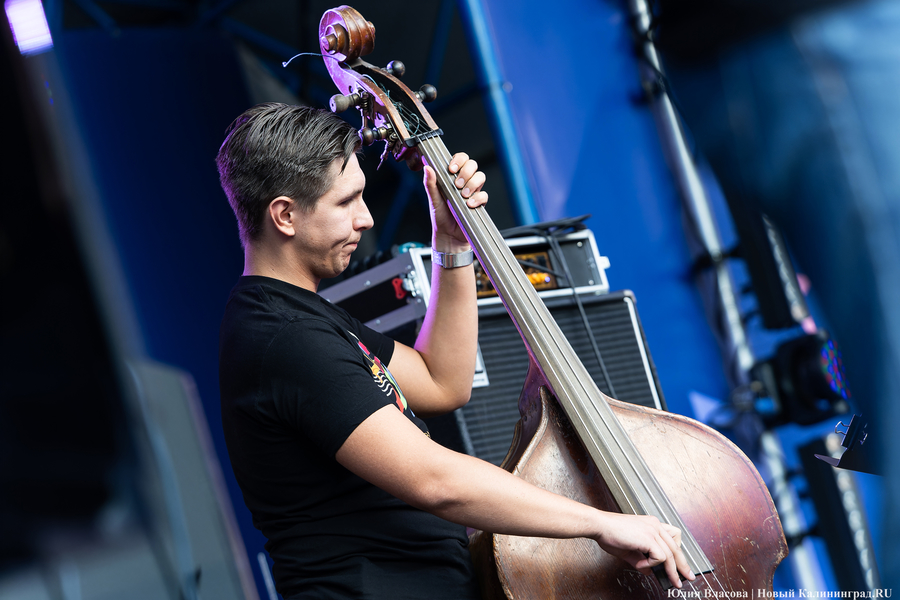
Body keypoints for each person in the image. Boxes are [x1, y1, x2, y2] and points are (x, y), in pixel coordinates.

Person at [216, 102, 694, 599]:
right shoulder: (284, 336)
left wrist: (451, 241)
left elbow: (441, 381)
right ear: (285, 216)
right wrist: (600, 523)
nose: (366, 218)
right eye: (347, 202)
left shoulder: (304, 315)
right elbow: (433, 480)